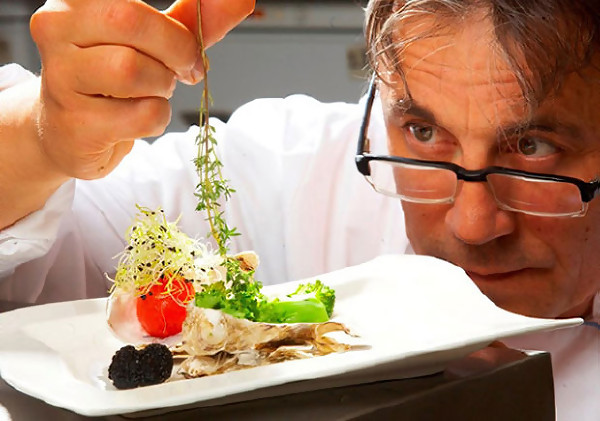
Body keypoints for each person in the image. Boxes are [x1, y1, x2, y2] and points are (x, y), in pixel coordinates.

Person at [0, 0, 598, 418]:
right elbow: (37, 269)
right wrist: (39, 137)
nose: (473, 225)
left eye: (533, 148)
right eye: (423, 133)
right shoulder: (293, 168)